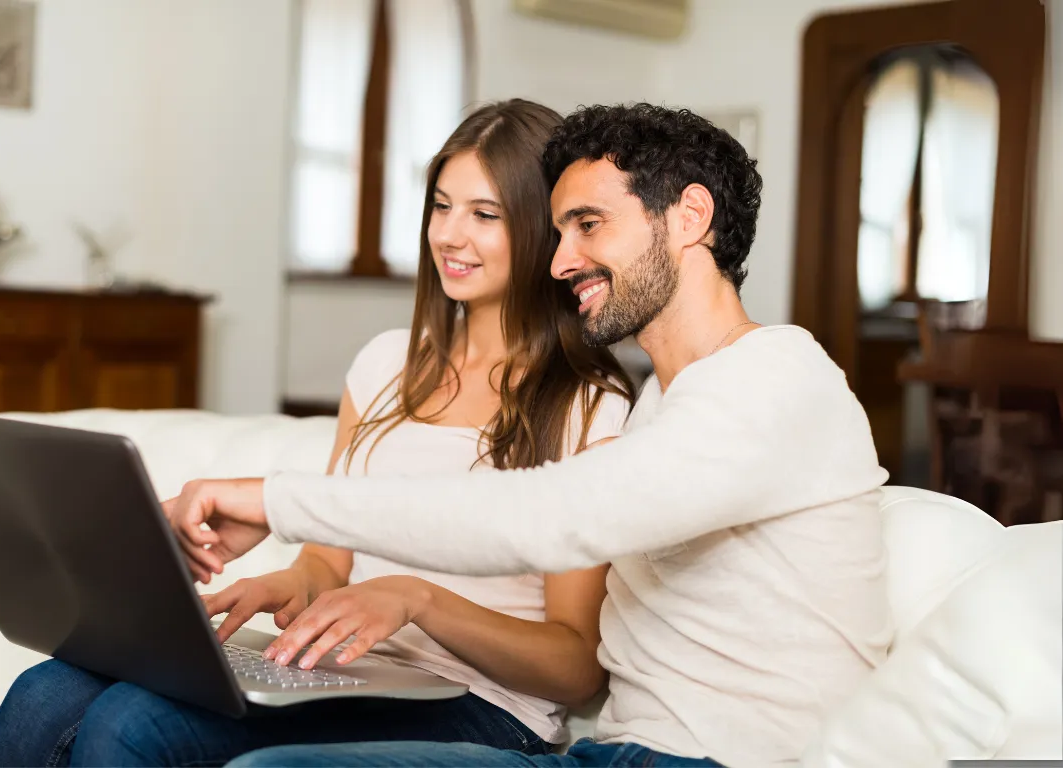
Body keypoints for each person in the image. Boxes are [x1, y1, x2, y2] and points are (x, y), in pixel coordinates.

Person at [164, 103, 894, 768]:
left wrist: (277, 501)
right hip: (608, 756)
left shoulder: (775, 377)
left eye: (588, 225)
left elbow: (550, 516)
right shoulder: (661, 408)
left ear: (688, 217)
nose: (559, 261)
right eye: (559, 229)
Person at [0, 98, 638, 767]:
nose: (449, 235)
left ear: (541, 230)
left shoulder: (587, 405)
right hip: (361, 668)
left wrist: (417, 602)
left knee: (134, 724)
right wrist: (287, 586)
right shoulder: (386, 365)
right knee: (45, 691)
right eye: (441, 206)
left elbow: (577, 666)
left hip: (489, 707)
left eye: (484, 215)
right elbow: (329, 560)